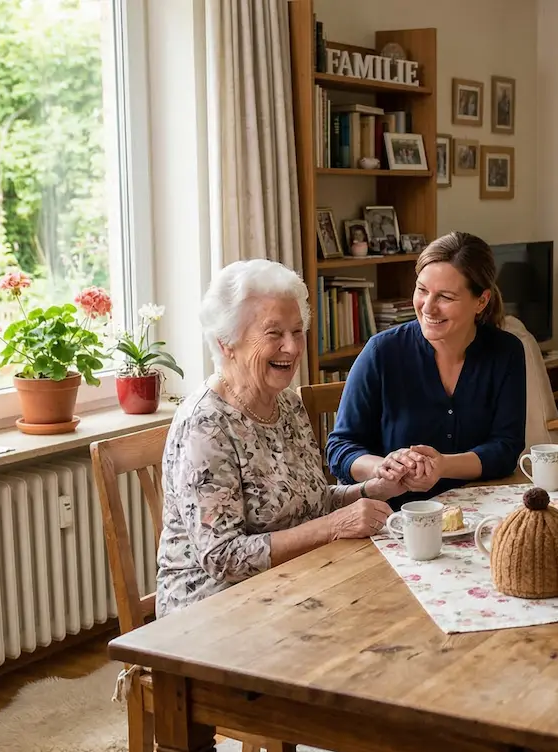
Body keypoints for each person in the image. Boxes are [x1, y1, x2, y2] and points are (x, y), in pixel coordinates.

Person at [157, 258, 411, 619]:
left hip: (294, 583)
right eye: (274, 333)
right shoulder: (206, 425)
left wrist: (373, 489)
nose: (291, 348)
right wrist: (335, 527)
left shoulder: (286, 403)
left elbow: (310, 503)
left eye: (297, 331)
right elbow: (223, 558)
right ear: (226, 343)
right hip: (212, 613)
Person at [326, 231, 526, 507]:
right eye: (422, 290)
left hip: (481, 510)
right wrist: (383, 467)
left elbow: (506, 447)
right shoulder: (381, 352)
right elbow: (340, 448)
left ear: (481, 301)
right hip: (392, 518)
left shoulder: (506, 352)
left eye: (445, 296)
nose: (428, 307)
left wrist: (443, 466)